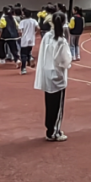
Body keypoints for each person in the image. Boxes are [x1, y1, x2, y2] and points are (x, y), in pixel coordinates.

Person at [35, 13, 73, 142]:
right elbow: (65, 60)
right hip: (57, 75)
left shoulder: (47, 36)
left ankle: (50, 129)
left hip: (47, 73)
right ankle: (54, 132)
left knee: (50, 103)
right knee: (57, 105)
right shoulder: (61, 40)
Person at [18, 8, 39, 75]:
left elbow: (19, 31)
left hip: (24, 39)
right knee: (29, 51)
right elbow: (38, 28)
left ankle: (23, 68)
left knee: (23, 54)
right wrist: (34, 32)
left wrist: (21, 35)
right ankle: (30, 58)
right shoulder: (34, 21)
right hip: (31, 39)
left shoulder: (22, 22)